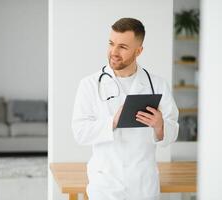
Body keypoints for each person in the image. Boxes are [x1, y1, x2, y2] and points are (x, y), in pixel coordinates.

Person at [72, 18, 179, 200]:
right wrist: (112, 121)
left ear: (139, 51)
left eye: (122, 47)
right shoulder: (90, 84)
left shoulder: (157, 85)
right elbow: (79, 132)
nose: (114, 52)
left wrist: (160, 126)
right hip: (105, 186)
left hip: (143, 186)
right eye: (111, 43)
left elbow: (173, 129)